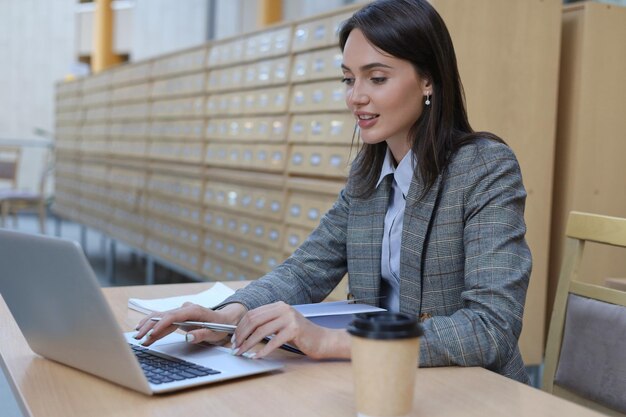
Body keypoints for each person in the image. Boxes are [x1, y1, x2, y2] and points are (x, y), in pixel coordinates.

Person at [135, 0, 532, 383]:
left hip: (468, 389)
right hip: (379, 380)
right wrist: (228, 314)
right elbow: (306, 270)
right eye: (348, 78)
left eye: (377, 78)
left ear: (428, 79)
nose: (355, 96)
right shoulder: (369, 176)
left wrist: (329, 341)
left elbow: (490, 328)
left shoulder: (483, 168)